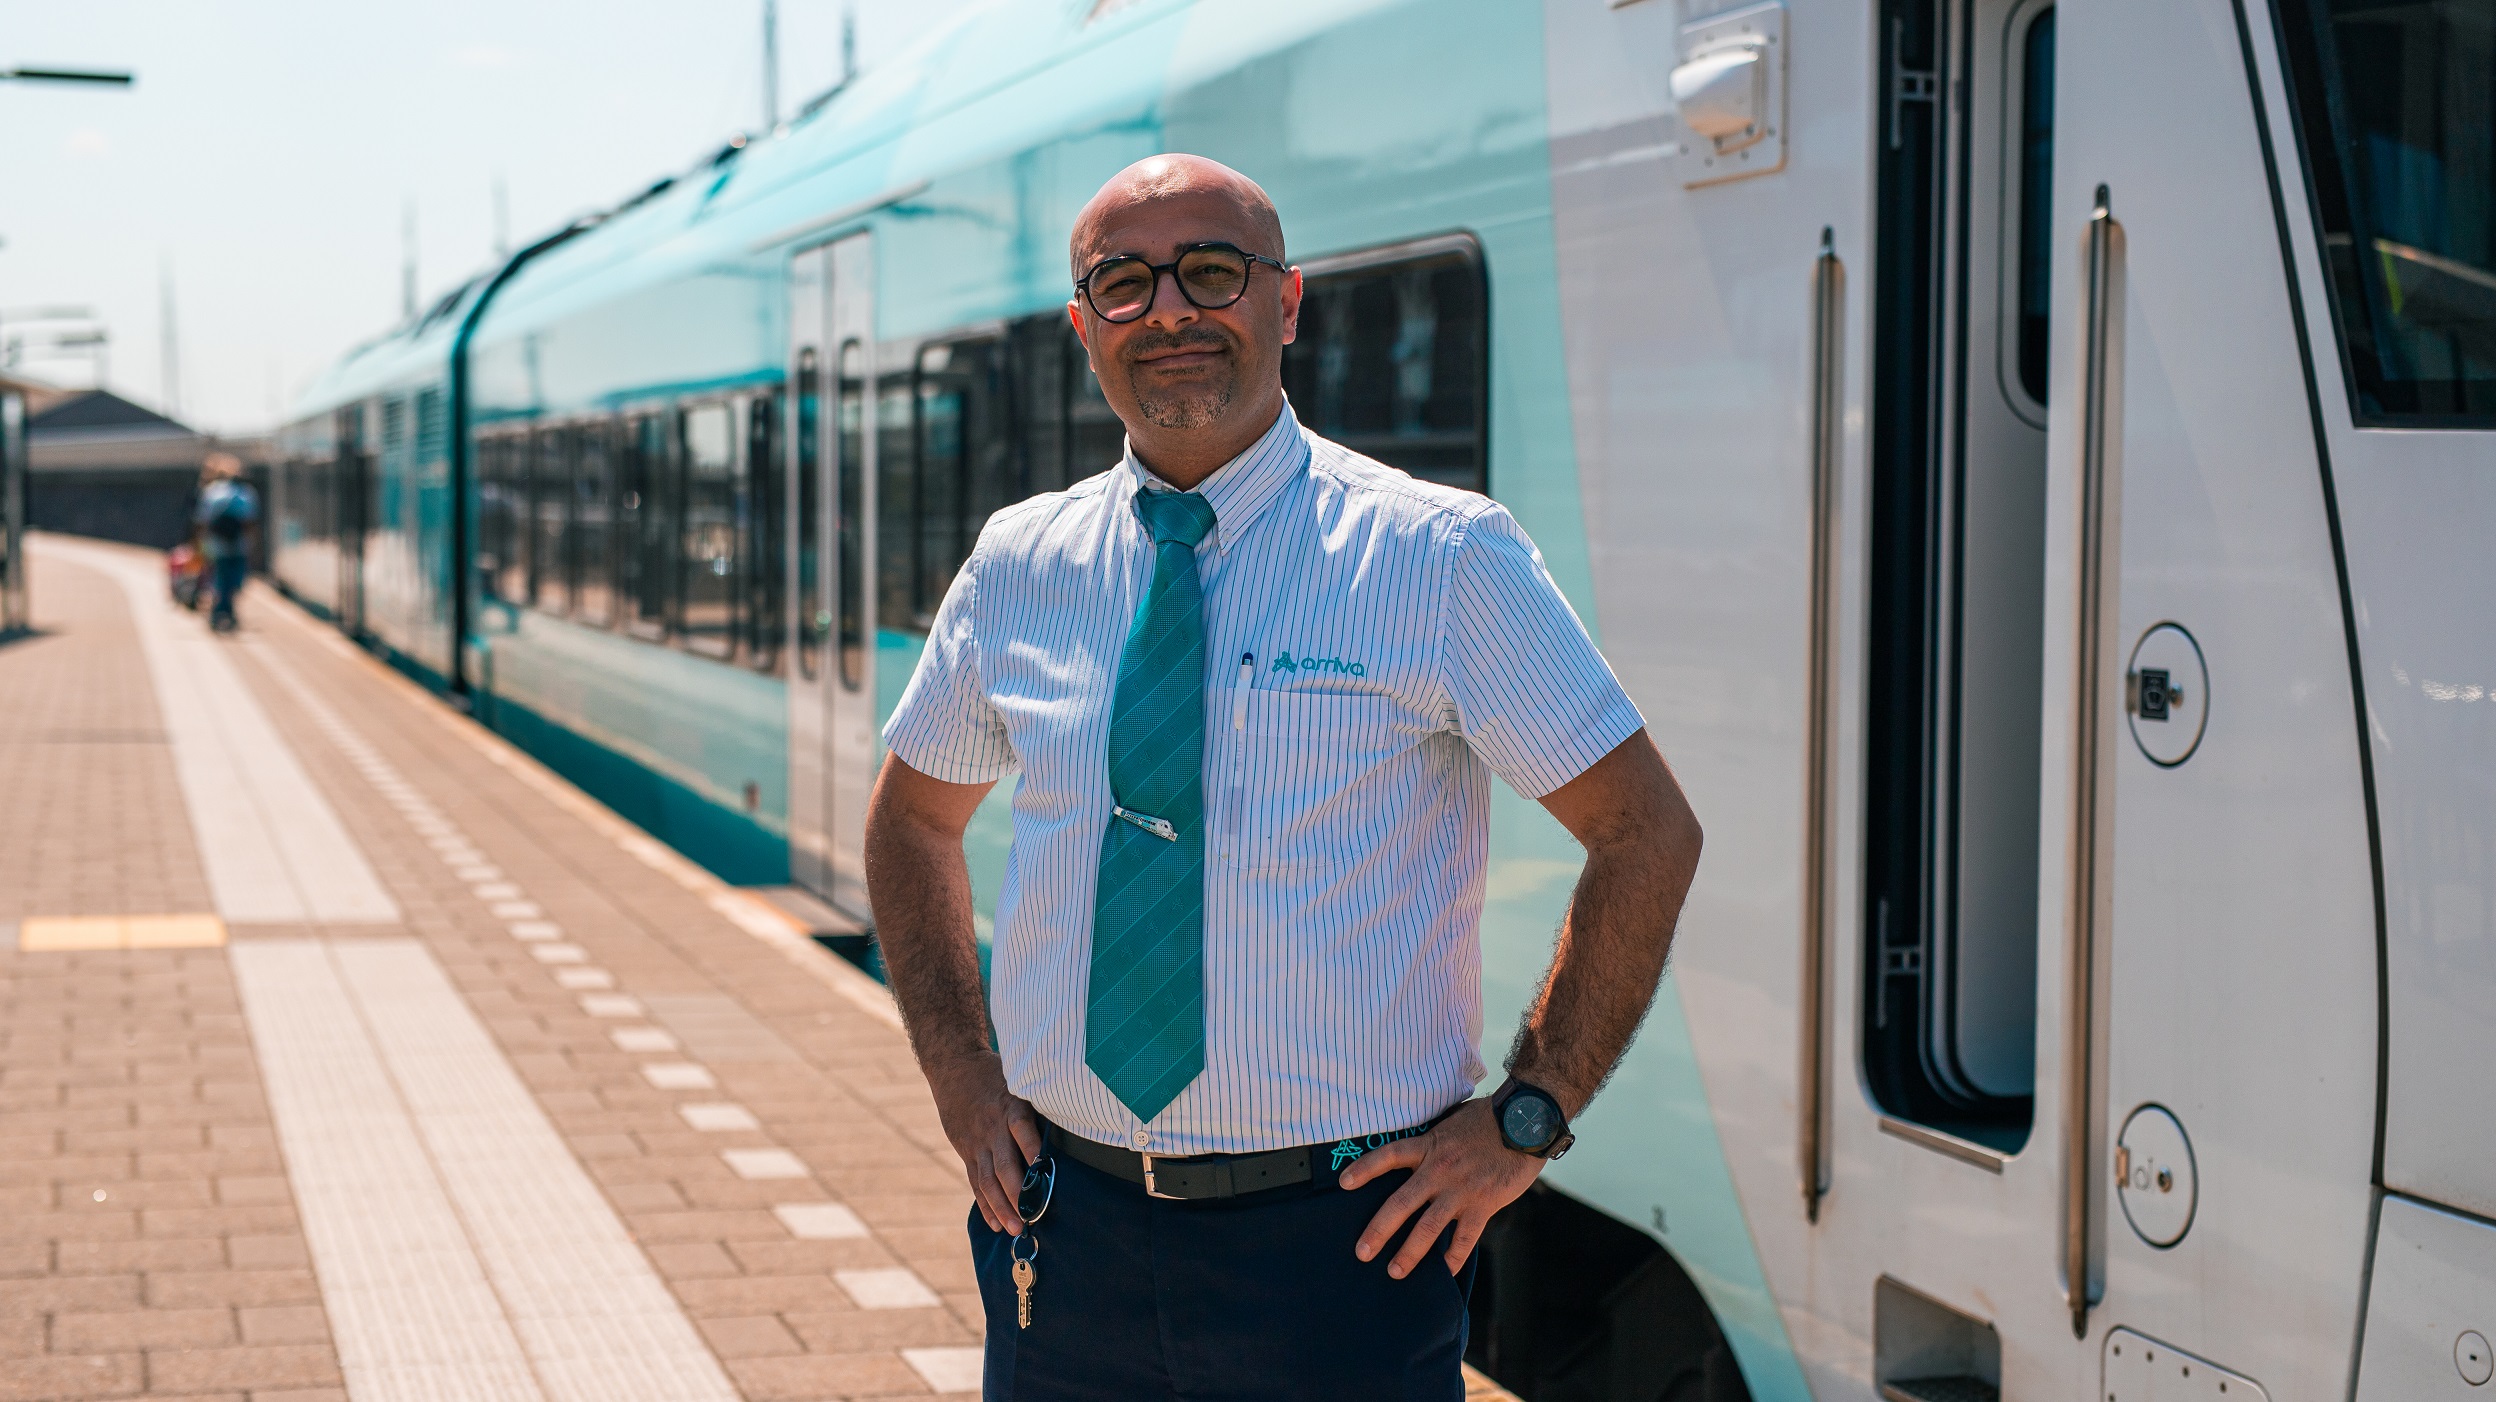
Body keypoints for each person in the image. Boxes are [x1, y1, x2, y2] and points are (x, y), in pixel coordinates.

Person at [865, 154, 1705, 1399]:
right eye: (1124, 283)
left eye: (1212, 271)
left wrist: (1528, 1117)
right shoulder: (1019, 563)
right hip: (1061, 1231)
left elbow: (1646, 832)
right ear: (1082, 324)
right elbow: (912, 821)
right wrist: (959, 1074)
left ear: (1289, 303)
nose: (1170, 311)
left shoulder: (1438, 558)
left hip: (1340, 1250)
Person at [193, 452, 257, 632]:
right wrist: (253, 547)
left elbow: (202, 522)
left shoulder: (211, 492)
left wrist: (200, 545)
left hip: (214, 545)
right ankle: (228, 612)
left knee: (217, 579)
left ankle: (218, 612)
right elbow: (250, 523)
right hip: (239, 545)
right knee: (235, 580)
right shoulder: (246, 494)